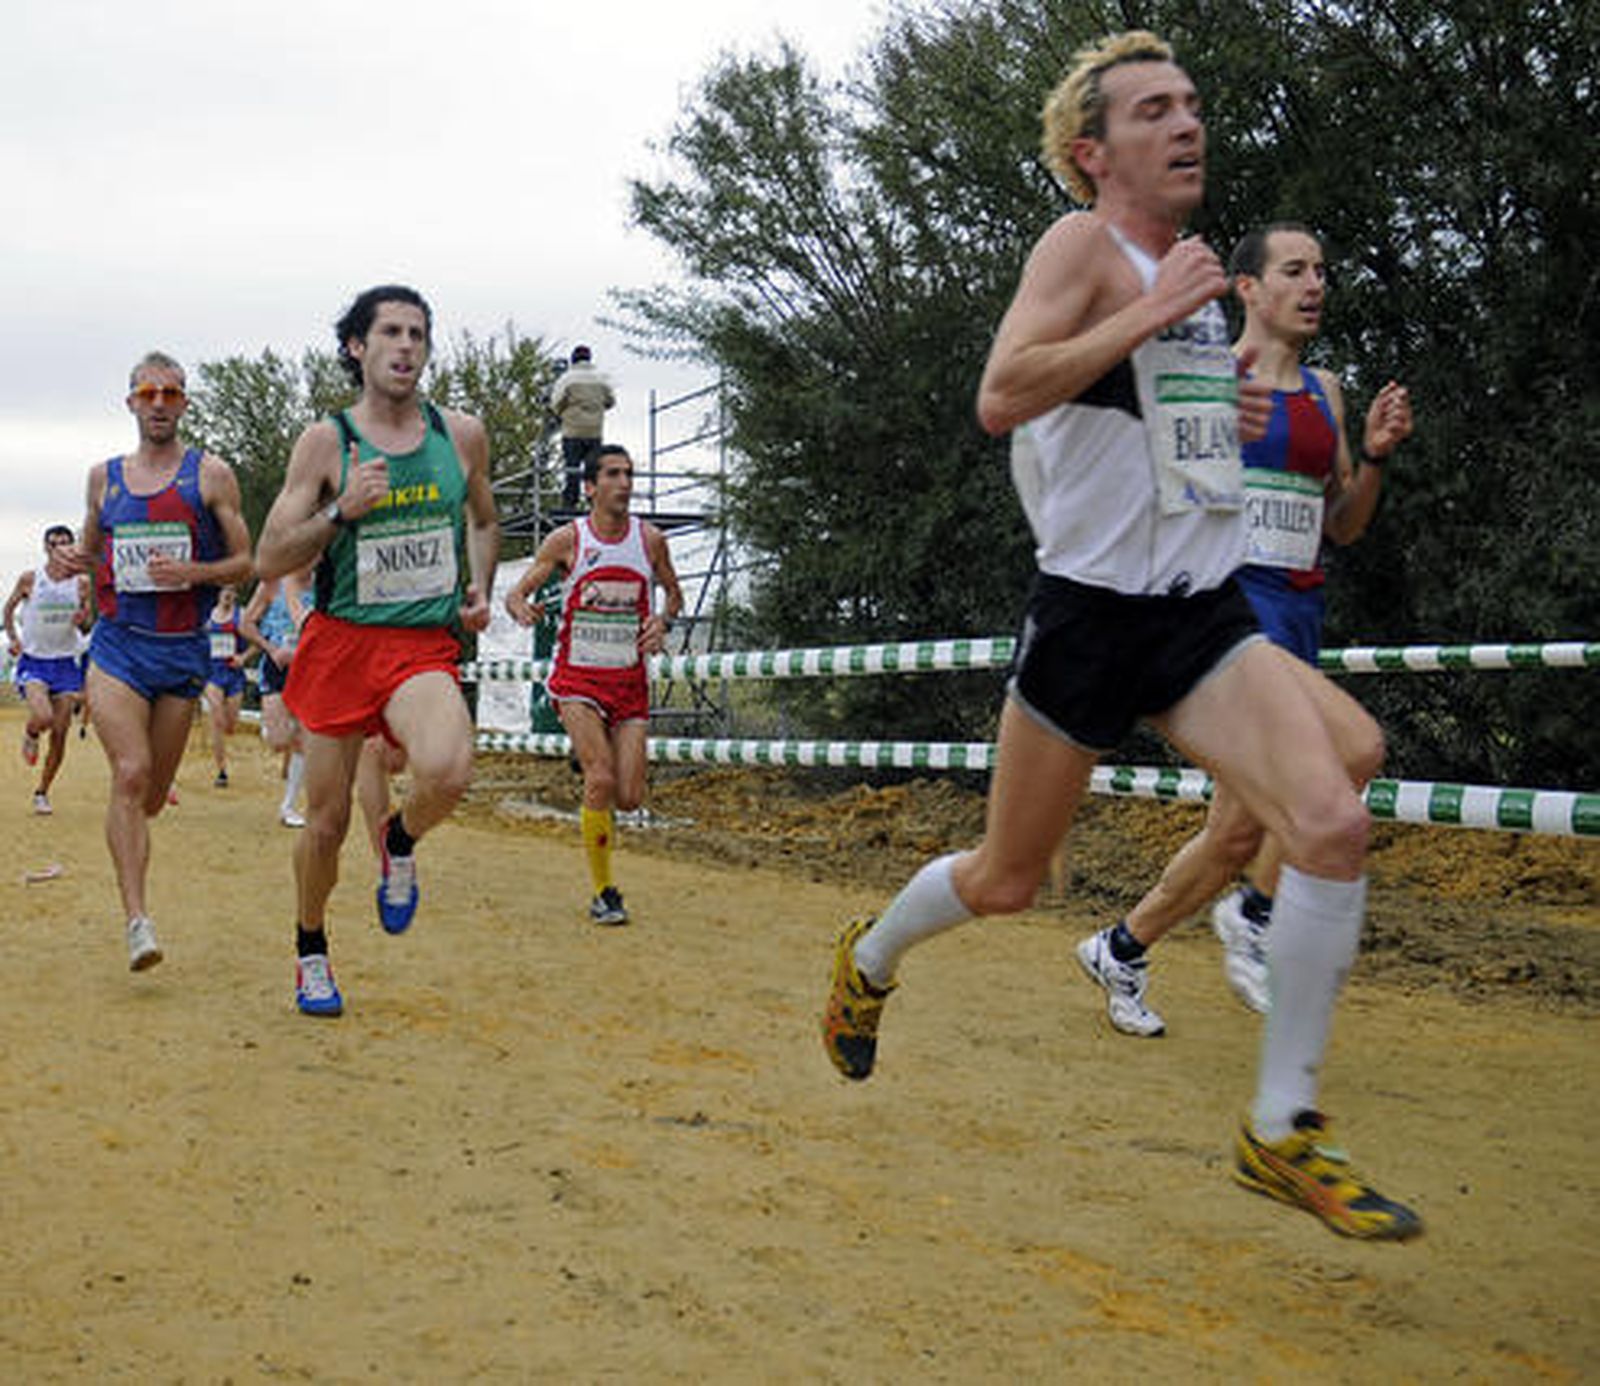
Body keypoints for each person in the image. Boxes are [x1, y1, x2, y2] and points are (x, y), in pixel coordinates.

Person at [819, 32, 1421, 1241]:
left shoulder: (1193, 270)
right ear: (1093, 152)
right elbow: (1004, 393)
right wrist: (1150, 315)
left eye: (1192, 102)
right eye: (1154, 110)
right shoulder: (1087, 247)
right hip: (1090, 615)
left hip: (1200, 614)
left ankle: (1281, 1126)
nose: (1185, 123)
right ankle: (869, 962)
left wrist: (1220, 399)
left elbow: (1151, 414)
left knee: (1332, 818)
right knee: (1008, 881)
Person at [1076, 223, 1413, 1035]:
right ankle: (1257, 917)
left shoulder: (1325, 391)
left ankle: (1121, 948)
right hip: (1229, 619)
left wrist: (1371, 459)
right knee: (1351, 754)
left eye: (1322, 271)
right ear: (1248, 290)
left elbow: (1343, 527)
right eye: (1294, 270)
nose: (1315, 284)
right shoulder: (1208, 378)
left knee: (1236, 829)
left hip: (1298, 614)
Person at [255, 284, 499, 1018]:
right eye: (389, 333)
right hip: (341, 644)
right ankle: (311, 949)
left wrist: (480, 586)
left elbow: (485, 520)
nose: (405, 347)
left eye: (417, 334)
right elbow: (270, 556)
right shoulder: (327, 441)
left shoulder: (460, 435)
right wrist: (339, 510)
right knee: (324, 826)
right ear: (357, 348)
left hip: (420, 643)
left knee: (449, 770)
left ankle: (397, 837)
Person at [68, 351, 253, 969]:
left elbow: (245, 563)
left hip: (182, 654)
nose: (158, 403)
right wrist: (79, 575)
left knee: (150, 796)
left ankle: (138, 830)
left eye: (171, 394)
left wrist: (194, 572)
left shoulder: (211, 476)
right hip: (120, 648)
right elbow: (93, 551)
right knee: (129, 772)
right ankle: (138, 922)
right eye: (148, 393)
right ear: (130, 402)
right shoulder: (104, 478)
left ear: (184, 404)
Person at [505, 444, 682, 925]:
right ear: (590, 487)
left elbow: (674, 593)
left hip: (628, 682)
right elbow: (516, 594)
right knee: (599, 777)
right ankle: (605, 891)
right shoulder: (568, 540)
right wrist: (521, 607)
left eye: (629, 474)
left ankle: (602, 859)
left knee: (628, 795)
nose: (624, 482)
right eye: (613, 474)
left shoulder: (650, 541)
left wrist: (662, 621)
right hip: (577, 678)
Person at [4, 524, 93, 813]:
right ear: (47, 548)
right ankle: (31, 734)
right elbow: (8, 610)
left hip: (66, 661)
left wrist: (82, 618)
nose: (62, 549)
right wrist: (14, 639)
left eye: (67, 543)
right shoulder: (31, 579)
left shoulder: (81, 583)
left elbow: (87, 620)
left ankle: (42, 791)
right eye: (55, 544)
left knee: (60, 732)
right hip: (35, 660)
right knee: (42, 716)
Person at [238, 565, 315, 826]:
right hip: (277, 666)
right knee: (278, 740)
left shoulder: (326, 583)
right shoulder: (272, 584)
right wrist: (270, 649)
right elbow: (245, 624)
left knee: (304, 739)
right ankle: (275, 728)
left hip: (310, 669)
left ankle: (289, 806)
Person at [551, 345, 615, 509]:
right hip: (595, 432)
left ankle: (570, 502)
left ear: (573, 359)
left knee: (572, 468)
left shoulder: (567, 379)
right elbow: (610, 401)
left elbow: (556, 404)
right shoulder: (600, 379)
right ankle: (594, 502)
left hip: (572, 431)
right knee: (593, 470)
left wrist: (565, 412)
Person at [202, 584, 246, 787]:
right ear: (219, 594)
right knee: (217, 720)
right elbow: (196, 642)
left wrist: (243, 656)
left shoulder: (242, 615)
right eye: (225, 590)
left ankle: (224, 730)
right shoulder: (207, 616)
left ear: (236, 595)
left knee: (230, 725)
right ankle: (221, 771)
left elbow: (257, 641)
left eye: (232, 590)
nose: (228, 594)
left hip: (234, 675)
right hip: (212, 674)